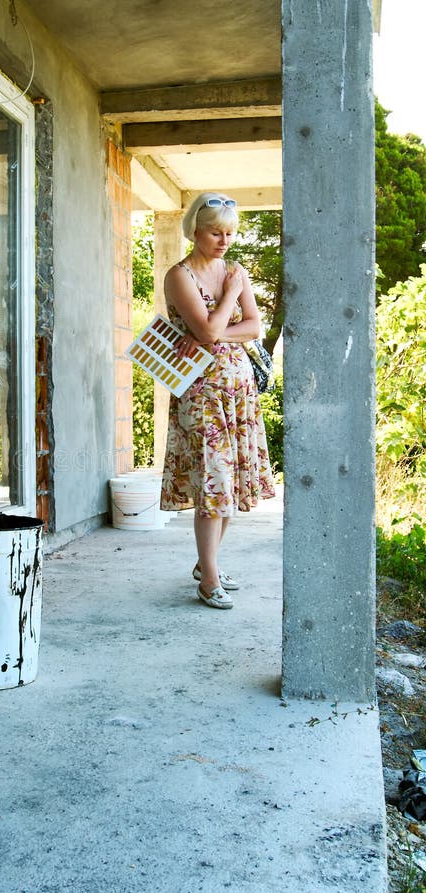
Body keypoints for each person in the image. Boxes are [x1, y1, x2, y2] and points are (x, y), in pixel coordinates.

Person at [160, 191, 275, 609]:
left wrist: (212, 332)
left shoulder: (235, 268)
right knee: (214, 484)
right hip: (201, 393)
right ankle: (208, 579)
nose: (224, 241)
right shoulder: (180, 276)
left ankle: (206, 565)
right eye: (215, 232)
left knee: (229, 486)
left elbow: (253, 328)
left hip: (238, 391)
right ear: (195, 230)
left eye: (229, 233)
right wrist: (229, 297)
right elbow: (211, 329)